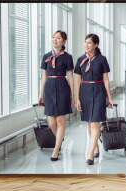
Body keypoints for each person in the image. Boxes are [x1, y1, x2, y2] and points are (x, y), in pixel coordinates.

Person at [74, 33, 114, 165]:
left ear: (96, 45)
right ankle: (95, 147)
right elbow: (77, 80)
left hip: (98, 92)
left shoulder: (102, 59)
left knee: (95, 123)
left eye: (89, 43)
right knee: (89, 123)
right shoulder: (80, 59)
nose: (86, 45)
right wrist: (77, 98)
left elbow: (106, 79)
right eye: (85, 42)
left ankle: (89, 154)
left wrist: (109, 97)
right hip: (84, 92)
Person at [38, 30, 74, 161]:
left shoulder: (68, 57)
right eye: (53, 37)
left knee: (60, 120)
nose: (55, 40)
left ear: (64, 41)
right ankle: (60, 137)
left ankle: (56, 149)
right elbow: (43, 77)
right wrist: (40, 94)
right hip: (49, 88)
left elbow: (70, 76)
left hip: (62, 87)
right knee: (51, 122)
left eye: (58, 38)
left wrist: (73, 95)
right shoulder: (46, 56)